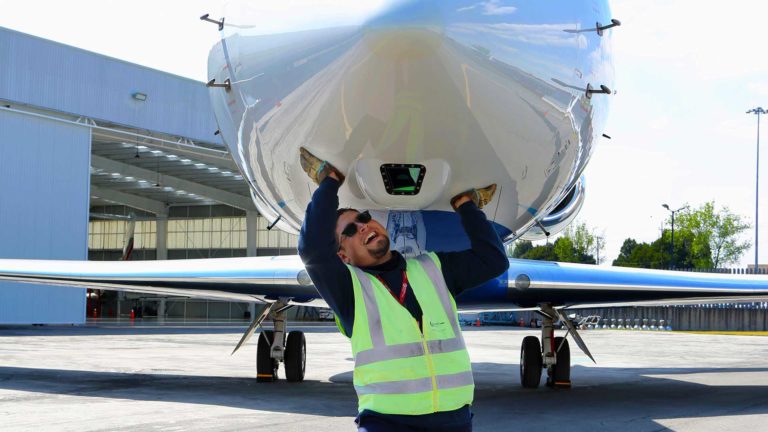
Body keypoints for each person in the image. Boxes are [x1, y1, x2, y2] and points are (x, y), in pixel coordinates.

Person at [297, 148, 509, 432]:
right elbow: (312, 248)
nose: (362, 226)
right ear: (343, 256)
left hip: (454, 419)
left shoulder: (433, 269)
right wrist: (330, 181)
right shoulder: (349, 291)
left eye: (363, 217)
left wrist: (466, 205)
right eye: (349, 231)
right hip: (386, 423)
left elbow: (493, 260)